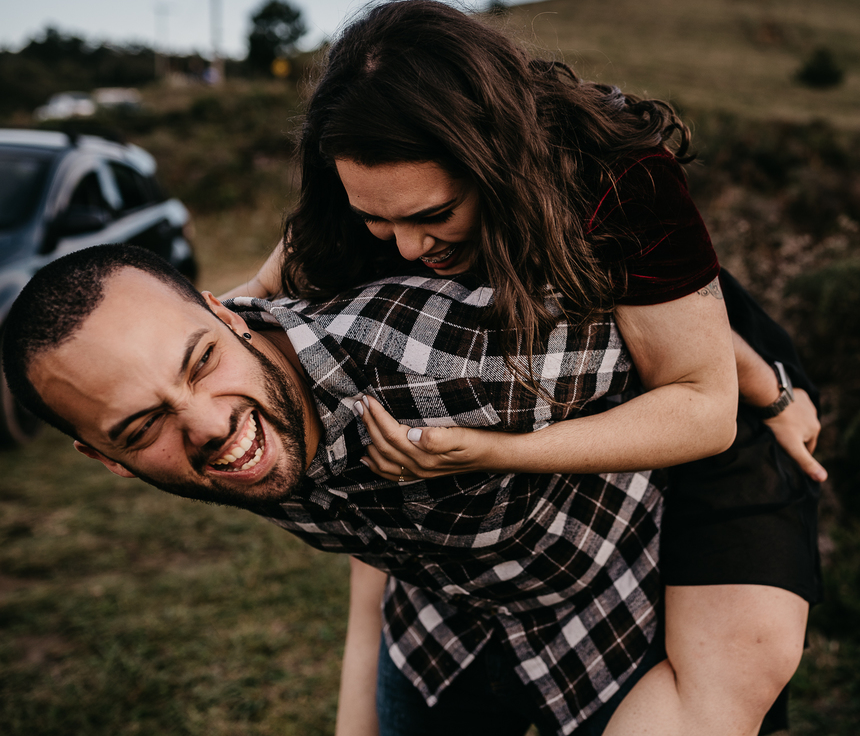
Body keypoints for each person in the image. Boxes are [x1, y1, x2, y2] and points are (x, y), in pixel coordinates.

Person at [227, 0, 825, 736]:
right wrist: (229, 312)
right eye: (379, 220)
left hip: (703, 377)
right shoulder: (361, 198)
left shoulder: (614, 177)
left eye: (433, 214)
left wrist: (772, 392)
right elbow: (265, 287)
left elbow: (698, 387)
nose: (407, 247)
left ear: (493, 161)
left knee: (741, 662)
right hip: (624, 360)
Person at [4, 244, 668, 736]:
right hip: (438, 628)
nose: (211, 426)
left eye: (200, 362)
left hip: (606, 615)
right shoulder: (238, 432)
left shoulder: (455, 361)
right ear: (106, 458)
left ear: (226, 314)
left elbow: (681, 367)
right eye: (143, 425)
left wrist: (775, 400)